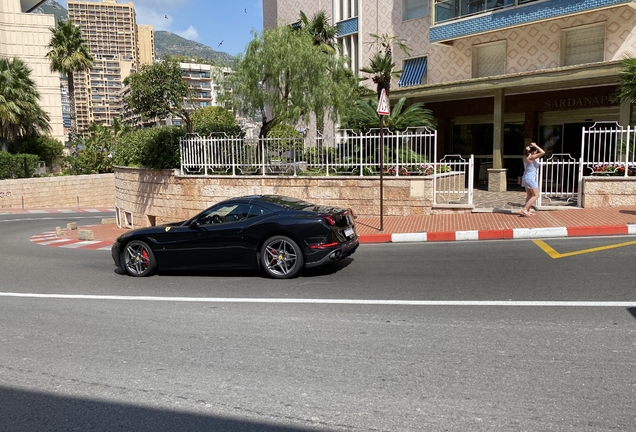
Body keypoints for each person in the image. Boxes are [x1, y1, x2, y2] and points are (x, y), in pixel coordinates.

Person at [520, 142, 545, 216]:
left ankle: (527, 210)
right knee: (536, 195)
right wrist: (535, 146)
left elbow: (526, 152)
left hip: (526, 177)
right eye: (536, 151)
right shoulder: (531, 157)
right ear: (534, 151)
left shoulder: (525, 156)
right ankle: (525, 209)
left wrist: (528, 149)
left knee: (529, 195)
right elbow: (543, 152)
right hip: (530, 178)